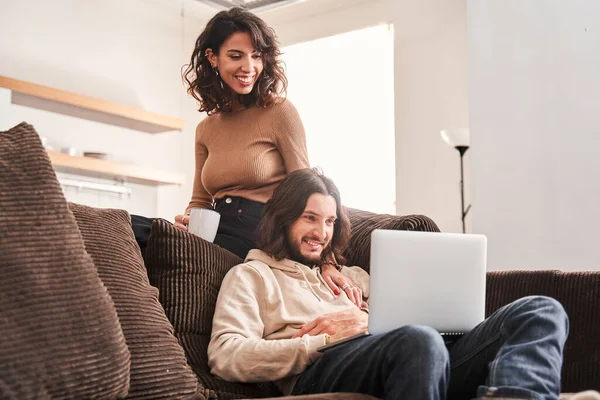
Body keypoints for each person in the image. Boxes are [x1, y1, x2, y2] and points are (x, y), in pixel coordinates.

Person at [208, 168, 570, 400]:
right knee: (418, 339)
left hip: (419, 354)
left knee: (540, 310)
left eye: (331, 221)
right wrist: (320, 341)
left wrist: (371, 320)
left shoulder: (353, 277)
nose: (321, 233)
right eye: (309, 218)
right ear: (281, 218)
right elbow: (226, 355)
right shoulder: (252, 276)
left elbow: (406, 320)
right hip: (322, 369)